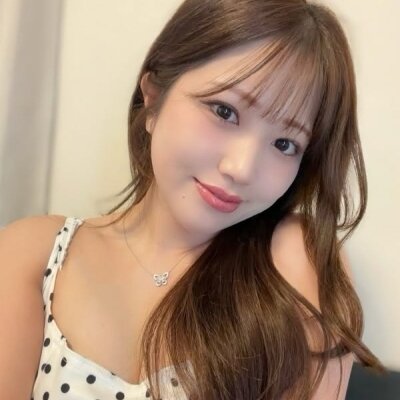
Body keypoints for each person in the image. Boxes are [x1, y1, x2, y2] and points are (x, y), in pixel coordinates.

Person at [0, 0, 386, 399]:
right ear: (153, 97)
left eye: (285, 143)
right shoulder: (36, 254)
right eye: (224, 111)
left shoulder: (293, 261)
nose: (241, 168)